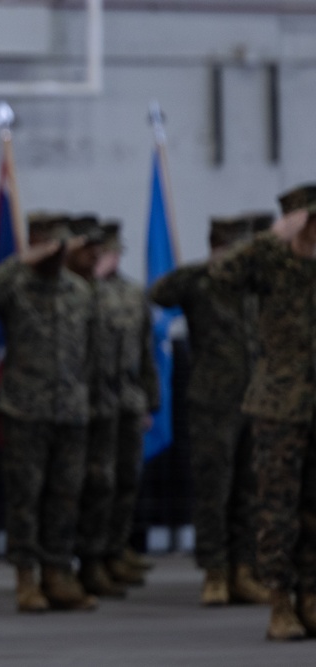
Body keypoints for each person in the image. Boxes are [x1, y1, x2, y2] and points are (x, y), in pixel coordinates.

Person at [0, 213, 96, 613]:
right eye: (48, 244)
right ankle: (26, 577)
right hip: (25, 409)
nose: (56, 253)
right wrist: (19, 261)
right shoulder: (16, 285)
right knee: (26, 497)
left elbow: (88, 351)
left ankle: (58, 572)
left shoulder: (79, 290)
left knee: (66, 496)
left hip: (71, 410)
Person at [209, 184, 316, 641]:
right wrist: (273, 236)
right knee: (277, 510)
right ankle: (280, 602)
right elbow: (219, 275)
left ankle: (312, 596)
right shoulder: (269, 261)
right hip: (279, 405)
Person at [149, 215, 269, 606]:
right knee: (213, 489)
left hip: (255, 397)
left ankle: (244, 570)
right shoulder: (201, 281)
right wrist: (208, 264)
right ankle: (215, 571)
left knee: (250, 490)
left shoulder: (257, 284)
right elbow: (160, 293)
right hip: (212, 401)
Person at [64, 215, 126, 599]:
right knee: (66, 489)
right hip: (62, 406)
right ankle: (57, 568)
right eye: (85, 247)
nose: (94, 255)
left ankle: (94, 561)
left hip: (101, 403)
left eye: (97, 248)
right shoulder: (65, 289)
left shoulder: (102, 292)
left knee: (102, 485)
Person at [98, 221, 159, 585]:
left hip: (128, 398)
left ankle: (118, 547)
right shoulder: (85, 292)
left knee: (126, 479)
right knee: (97, 481)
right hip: (96, 401)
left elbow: (146, 352)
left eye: (114, 250)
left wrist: (150, 402)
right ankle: (95, 553)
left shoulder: (134, 294)